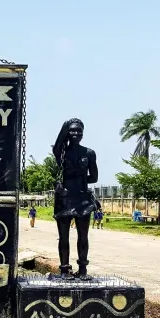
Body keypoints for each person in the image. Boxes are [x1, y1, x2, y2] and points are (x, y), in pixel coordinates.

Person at [52, 118, 98, 277]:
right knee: (63, 237)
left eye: (79, 131)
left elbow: (94, 177)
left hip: (82, 199)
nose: (75, 133)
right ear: (67, 132)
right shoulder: (61, 151)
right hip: (64, 198)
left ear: (83, 133)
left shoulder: (89, 153)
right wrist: (66, 125)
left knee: (83, 236)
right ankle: (64, 269)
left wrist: (79, 179)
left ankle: (83, 270)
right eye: (72, 130)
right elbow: (58, 142)